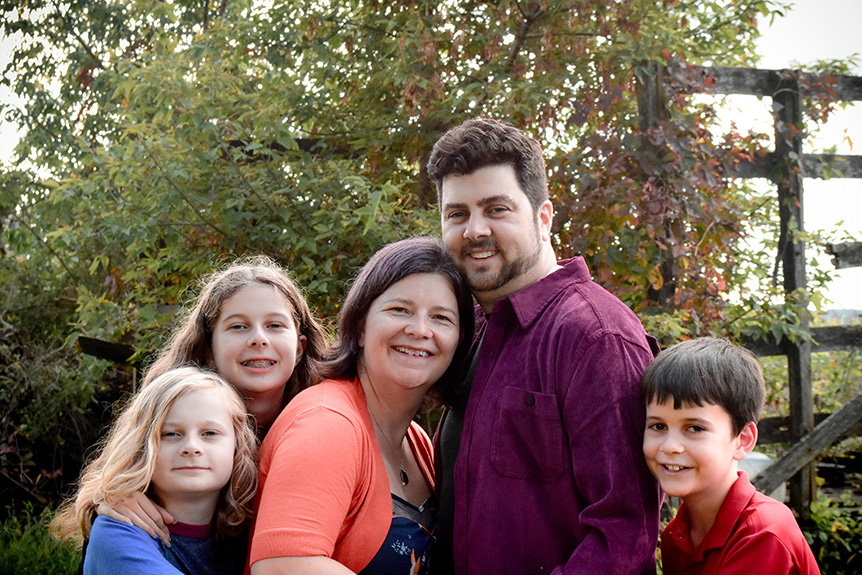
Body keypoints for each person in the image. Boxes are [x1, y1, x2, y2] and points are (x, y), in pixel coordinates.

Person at [426, 117, 661, 575]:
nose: (474, 230)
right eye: (457, 213)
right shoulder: (467, 330)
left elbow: (623, 534)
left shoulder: (595, 336)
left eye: (497, 209)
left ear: (544, 216)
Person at [247, 237, 475, 575]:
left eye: (441, 318)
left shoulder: (417, 442)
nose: (420, 330)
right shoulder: (327, 423)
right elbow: (282, 566)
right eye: (400, 310)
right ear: (360, 327)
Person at [96, 255, 327, 544]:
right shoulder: (168, 409)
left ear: (299, 349)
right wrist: (113, 496)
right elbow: (109, 479)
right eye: (238, 327)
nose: (259, 339)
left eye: (275, 326)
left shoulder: (324, 421)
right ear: (208, 350)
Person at [51, 366, 259, 575]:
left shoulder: (248, 531)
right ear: (140, 446)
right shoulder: (117, 532)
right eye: (170, 434)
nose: (191, 447)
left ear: (237, 444)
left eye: (210, 433)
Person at [641, 337, 821, 575]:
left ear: (742, 440)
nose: (670, 446)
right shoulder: (676, 533)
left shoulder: (763, 534)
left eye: (695, 428)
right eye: (658, 426)